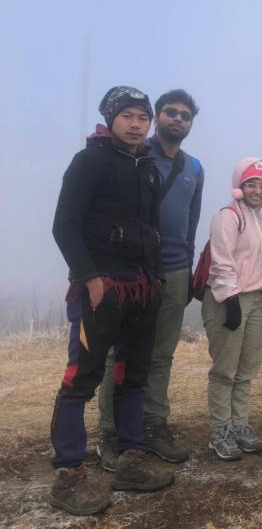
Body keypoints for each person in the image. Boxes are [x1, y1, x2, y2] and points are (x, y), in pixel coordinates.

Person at [49, 86, 174, 515]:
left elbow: (152, 227)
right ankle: (68, 473)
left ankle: (131, 459)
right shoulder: (90, 161)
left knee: (132, 375)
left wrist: (155, 278)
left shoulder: (149, 169)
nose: (137, 124)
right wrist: (88, 277)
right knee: (81, 377)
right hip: (101, 291)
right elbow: (64, 225)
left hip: (141, 289)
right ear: (111, 119)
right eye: (129, 116)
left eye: (144, 117)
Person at [97, 89, 203, 470]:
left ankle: (154, 422)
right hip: (134, 269)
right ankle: (110, 430)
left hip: (174, 270)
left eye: (185, 115)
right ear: (157, 117)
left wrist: (188, 269)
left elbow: (191, 224)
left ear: (191, 123)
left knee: (162, 354)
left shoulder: (194, 168)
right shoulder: (136, 155)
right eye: (170, 113)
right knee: (120, 353)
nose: (178, 119)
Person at [203, 158, 262, 461]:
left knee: (247, 368)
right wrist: (229, 299)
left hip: (258, 299)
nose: (257, 190)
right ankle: (221, 430)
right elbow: (221, 259)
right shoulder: (228, 217)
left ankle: (241, 425)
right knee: (225, 369)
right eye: (251, 184)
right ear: (239, 186)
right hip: (228, 299)